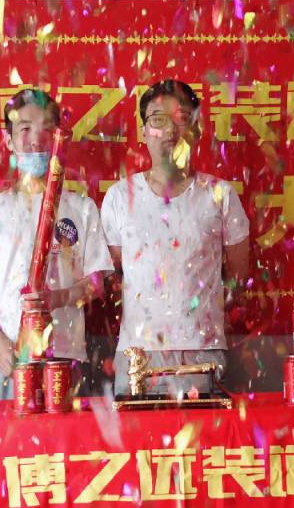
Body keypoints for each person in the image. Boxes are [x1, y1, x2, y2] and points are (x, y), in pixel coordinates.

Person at [0, 89, 113, 398]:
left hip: (65, 358)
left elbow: (96, 281)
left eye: (46, 130)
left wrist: (60, 298)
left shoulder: (81, 208)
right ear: (8, 140)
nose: (36, 140)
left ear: (58, 139)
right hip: (9, 359)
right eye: (25, 129)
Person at [101, 79, 250, 396]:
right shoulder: (120, 197)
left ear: (195, 129)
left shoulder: (220, 194)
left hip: (202, 352)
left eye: (181, 118)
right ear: (144, 132)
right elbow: (112, 275)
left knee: (203, 430)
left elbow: (238, 275)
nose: (169, 130)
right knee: (136, 430)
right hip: (136, 354)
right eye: (157, 119)